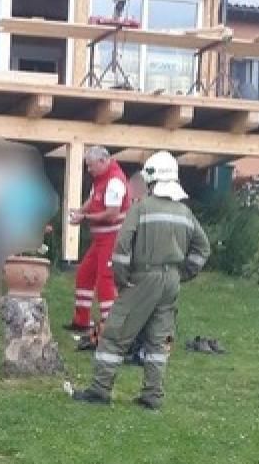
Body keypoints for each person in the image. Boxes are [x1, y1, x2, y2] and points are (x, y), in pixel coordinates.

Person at [73, 151, 210, 410]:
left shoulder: (141, 208)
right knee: (158, 340)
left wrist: (122, 279)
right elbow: (203, 248)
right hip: (171, 281)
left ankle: (100, 390)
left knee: (114, 333)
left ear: (151, 180)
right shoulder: (184, 212)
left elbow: (122, 247)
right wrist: (184, 273)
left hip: (142, 278)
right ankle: (152, 395)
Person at [68, 146, 131, 332]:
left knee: (105, 279)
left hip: (113, 237)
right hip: (101, 239)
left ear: (103, 161)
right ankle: (81, 320)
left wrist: (84, 218)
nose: (89, 170)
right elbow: (93, 199)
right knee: (84, 274)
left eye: (91, 165)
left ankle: (109, 325)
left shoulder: (115, 181)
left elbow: (112, 214)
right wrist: (80, 211)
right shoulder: (102, 179)